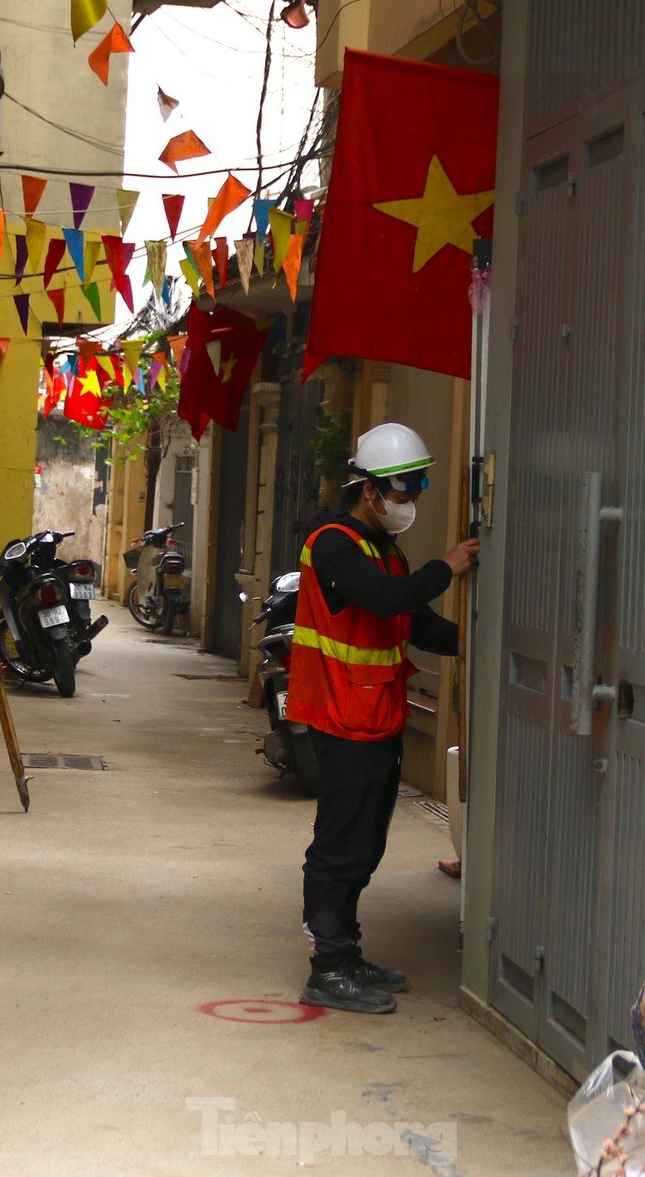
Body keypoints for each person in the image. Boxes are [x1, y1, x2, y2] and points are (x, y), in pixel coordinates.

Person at [287, 422, 481, 1014]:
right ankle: (327, 966)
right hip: (341, 717)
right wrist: (448, 566)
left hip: (377, 715)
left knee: (366, 842)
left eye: (419, 486)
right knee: (340, 844)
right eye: (405, 489)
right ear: (370, 490)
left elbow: (416, 623)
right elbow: (383, 599)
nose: (412, 499)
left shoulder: (384, 550)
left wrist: (476, 643)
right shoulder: (333, 542)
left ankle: (347, 953)